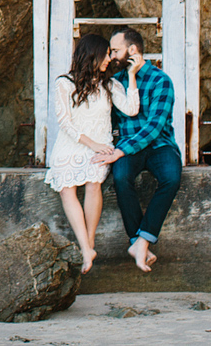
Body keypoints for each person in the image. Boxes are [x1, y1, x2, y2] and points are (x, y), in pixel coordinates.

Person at [44, 32, 140, 273]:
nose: (109, 59)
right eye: (106, 54)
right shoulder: (64, 83)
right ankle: (86, 248)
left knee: (93, 184)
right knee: (67, 190)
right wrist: (91, 144)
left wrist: (131, 76)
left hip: (100, 144)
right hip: (71, 144)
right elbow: (64, 122)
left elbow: (131, 109)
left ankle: (89, 243)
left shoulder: (110, 84)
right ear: (92, 55)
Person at [104, 28, 180, 273]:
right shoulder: (116, 83)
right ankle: (137, 243)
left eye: (116, 50)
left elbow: (155, 126)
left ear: (132, 50)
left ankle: (142, 241)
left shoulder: (161, 80)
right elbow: (111, 122)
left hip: (159, 145)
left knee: (171, 177)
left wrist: (121, 150)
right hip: (129, 148)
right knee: (121, 177)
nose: (112, 55)